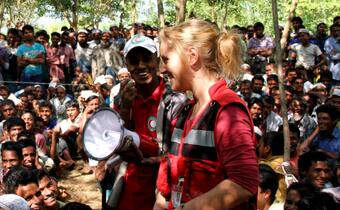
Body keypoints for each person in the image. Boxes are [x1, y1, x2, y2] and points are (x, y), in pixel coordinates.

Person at [155, 19, 258, 210]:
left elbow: (244, 182)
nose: (162, 69)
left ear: (192, 56)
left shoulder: (228, 111)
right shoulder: (184, 113)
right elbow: (166, 187)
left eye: (166, 60)